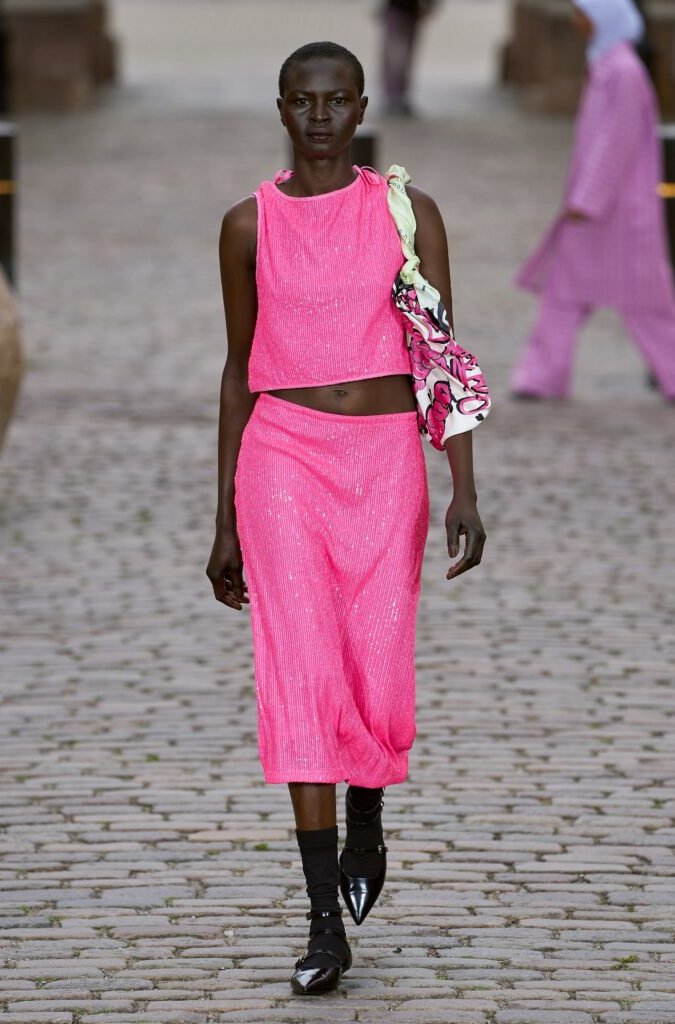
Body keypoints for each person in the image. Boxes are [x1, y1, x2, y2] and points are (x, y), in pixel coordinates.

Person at [206, 41, 486, 996]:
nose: (319, 114)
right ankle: (324, 920)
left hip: (385, 462)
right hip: (281, 458)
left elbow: (440, 350)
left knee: (373, 659)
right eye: (301, 100)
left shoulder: (408, 214)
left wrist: (464, 485)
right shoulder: (248, 225)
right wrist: (223, 519)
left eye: (336, 100)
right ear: (280, 108)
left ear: (361, 105)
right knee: (302, 670)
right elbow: (239, 367)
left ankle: (368, 802)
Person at [511, 0, 675, 401]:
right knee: (564, 293)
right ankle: (540, 376)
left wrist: (587, 198)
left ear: (603, 19)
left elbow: (615, 142)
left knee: (646, 304)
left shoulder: (622, 71)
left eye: (583, 13)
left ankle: (542, 375)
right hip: (600, 211)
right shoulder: (608, 65)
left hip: (617, 211)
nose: (576, 20)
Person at [380, 0, 437, 115]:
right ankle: (394, 96)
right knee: (396, 57)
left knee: (401, 58)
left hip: (408, 10)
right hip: (401, 10)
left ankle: (398, 96)